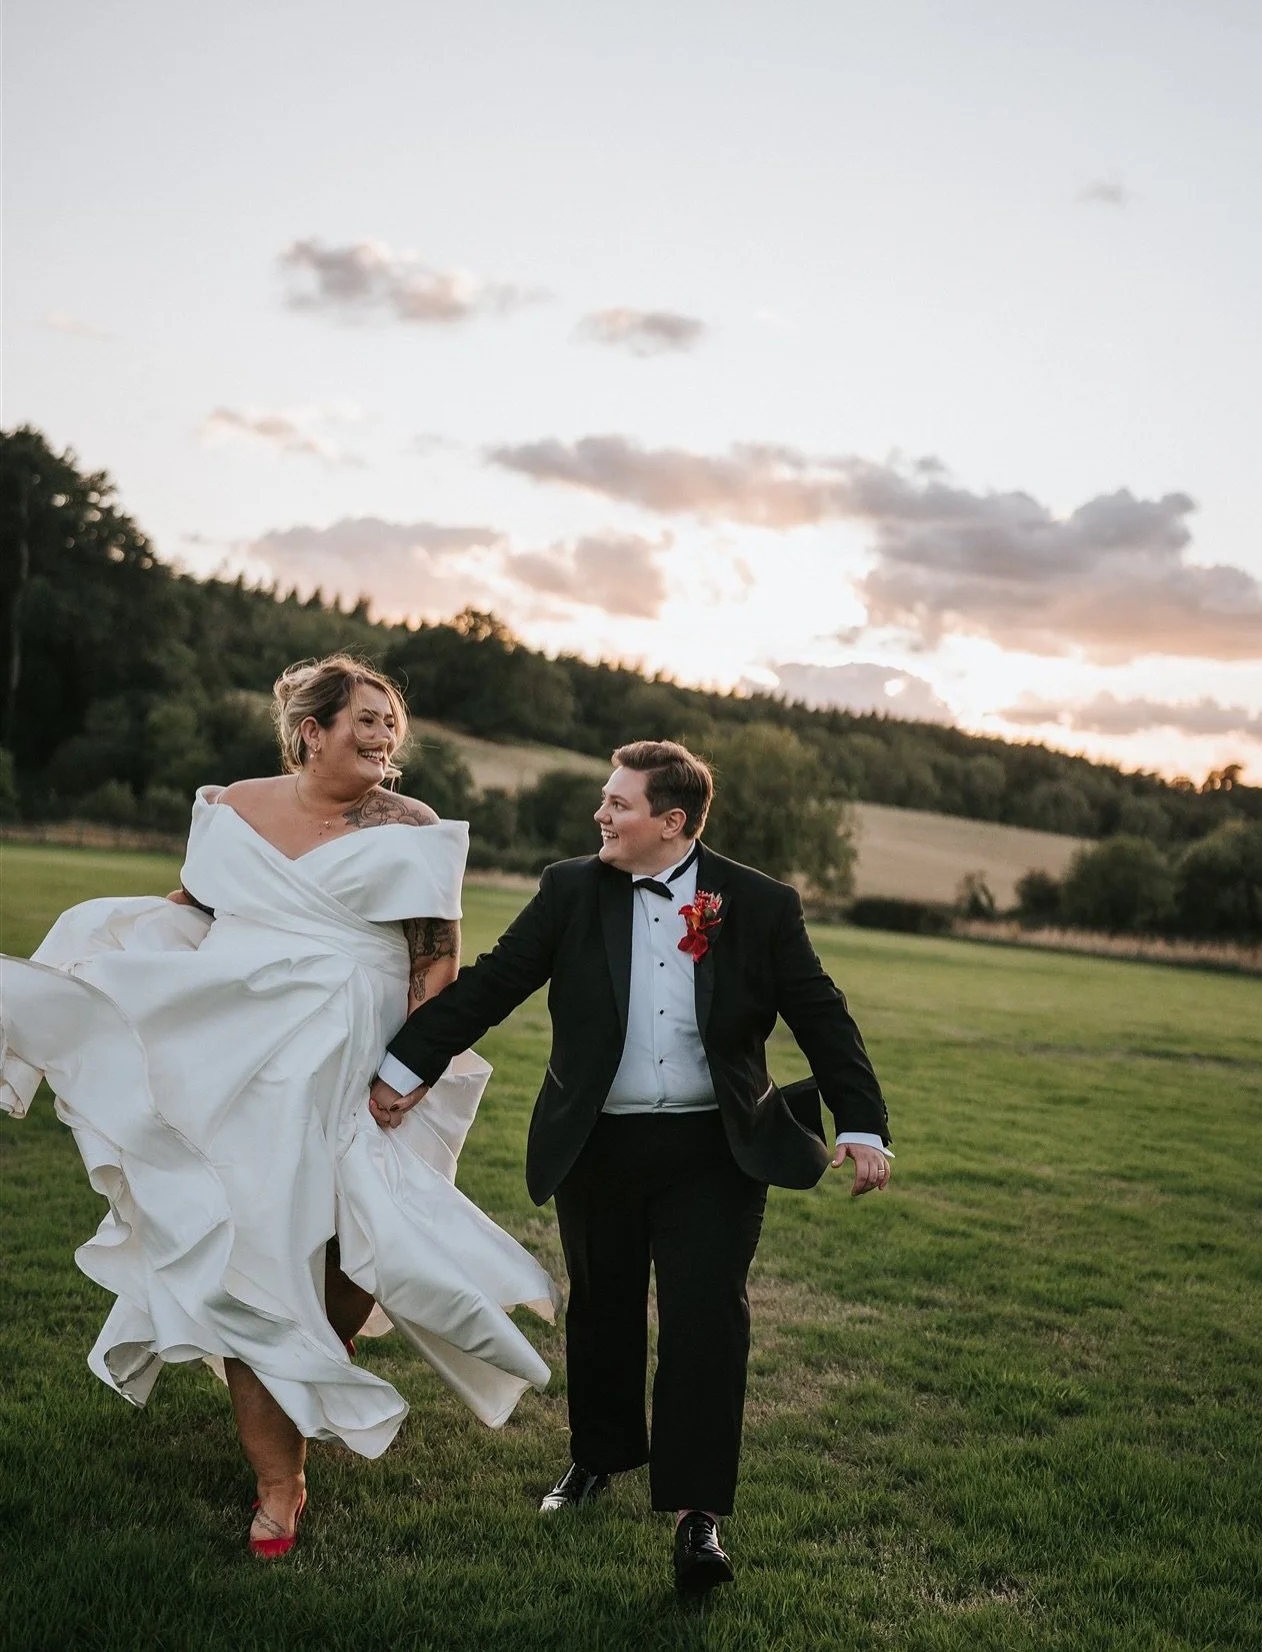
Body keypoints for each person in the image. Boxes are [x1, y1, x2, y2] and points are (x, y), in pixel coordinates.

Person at [0, 655, 556, 1558]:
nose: (385, 736)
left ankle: (303, 1367)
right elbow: (194, 904)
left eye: (390, 723)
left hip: (357, 1056)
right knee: (252, 1243)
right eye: (366, 720)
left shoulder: (408, 823)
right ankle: (278, 1480)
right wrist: (112, 952)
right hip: (240, 1051)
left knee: (348, 1253)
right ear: (311, 731)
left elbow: (435, 962)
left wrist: (408, 1072)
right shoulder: (229, 808)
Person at [370, 738, 892, 1596]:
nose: (600, 816)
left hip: (715, 1151)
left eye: (618, 804)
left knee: (704, 1321)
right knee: (603, 1309)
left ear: (671, 822)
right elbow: (492, 986)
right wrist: (401, 1068)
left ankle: (697, 1517)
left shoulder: (757, 903)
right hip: (598, 1142)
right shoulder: (571, 889)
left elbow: (820, 1014)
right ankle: (597, 1458)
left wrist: (863, 1124)